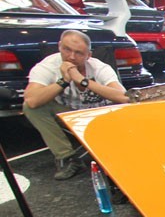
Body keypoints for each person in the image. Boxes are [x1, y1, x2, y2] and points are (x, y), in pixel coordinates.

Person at [22, 30, 128, 180]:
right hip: (68, 115)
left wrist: (83, 81)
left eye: (78, 53)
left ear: (88, 55)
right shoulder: (47, 66)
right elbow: (32, 100)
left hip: (101, 115)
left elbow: (124, 98)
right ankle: (67, 157)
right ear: (59, 46)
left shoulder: (99, 68)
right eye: (67, 49)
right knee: (31, 107)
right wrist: (64, 81)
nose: (71, 57)